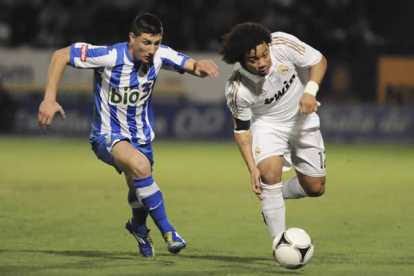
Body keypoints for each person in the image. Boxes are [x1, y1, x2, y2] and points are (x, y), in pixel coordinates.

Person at [38, 13, 219, 258]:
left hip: (141, 138)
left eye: (156, 43)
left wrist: (200, 66)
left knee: (139, 183)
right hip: (106, 135)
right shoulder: (109, 55)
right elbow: (60, 55)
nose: (152, 49)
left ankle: (138, 228)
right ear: (132, 38)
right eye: (146, 42)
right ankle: (169, 231)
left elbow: (191, 65)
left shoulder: (161, 55)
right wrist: (49, 99)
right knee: (140, 166)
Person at [220, 22, 327, 240]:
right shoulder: (237, 88)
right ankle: (280, 243)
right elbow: (242, 132)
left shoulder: (280, 43)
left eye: (264, 55)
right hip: (268, 126)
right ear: (241, 61)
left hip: (302, 119)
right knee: (269, 175)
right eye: (253, 59)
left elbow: (319, 61)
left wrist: (310, 92)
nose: (262, 63)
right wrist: (252, 168)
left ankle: (274, 197)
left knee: (315, 188)